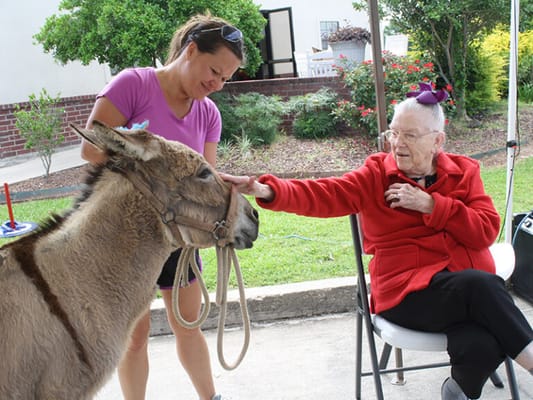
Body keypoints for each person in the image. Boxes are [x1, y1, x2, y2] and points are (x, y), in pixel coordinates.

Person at [221, 83, 533, 400]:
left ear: (437, 140)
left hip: (462, 292)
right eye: (394, 133)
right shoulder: (375, 176)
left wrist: (431, 206)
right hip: (408, 295)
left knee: (482, 341)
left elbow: (484, 231)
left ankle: (457, 392)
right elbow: (324, 194)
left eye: (410, 135)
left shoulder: (464, 172)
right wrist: (266, 190)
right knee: (484, 287)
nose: (397, 143)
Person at [81, 13, 245, 400]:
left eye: (225, 78)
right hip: (125, 237)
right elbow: (91, 147)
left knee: (188, 323)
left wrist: (227, 196)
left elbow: (205, 177)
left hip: (177, 237)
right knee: (134, 337)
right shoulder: (133, 85)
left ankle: (211, 397)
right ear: (190, 50)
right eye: (214, 71)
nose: (217, 84)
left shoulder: (208, 114)